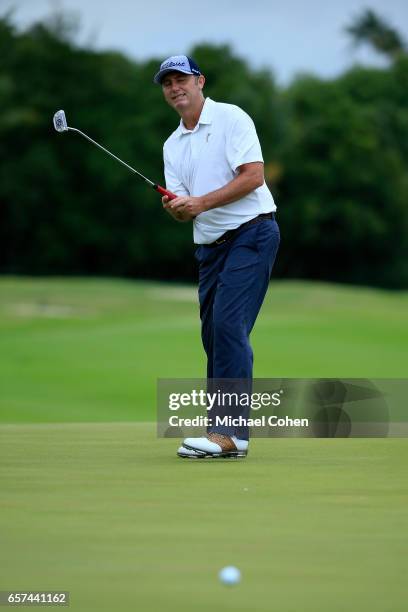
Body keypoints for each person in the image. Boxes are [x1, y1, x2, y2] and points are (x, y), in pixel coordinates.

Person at [154, 55, 280, 459]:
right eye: (167, 83)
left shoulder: (232, 119)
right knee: (213, 336)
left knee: (228, 325)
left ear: (200, 82)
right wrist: (177, 209)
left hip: (252, 232)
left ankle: (231, 434)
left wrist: (201, 203)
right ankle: (220, 432)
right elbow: (181, 202)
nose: (175, 88)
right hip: (209, 248)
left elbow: (253, 176)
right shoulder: (172, 145)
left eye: (182, 80)